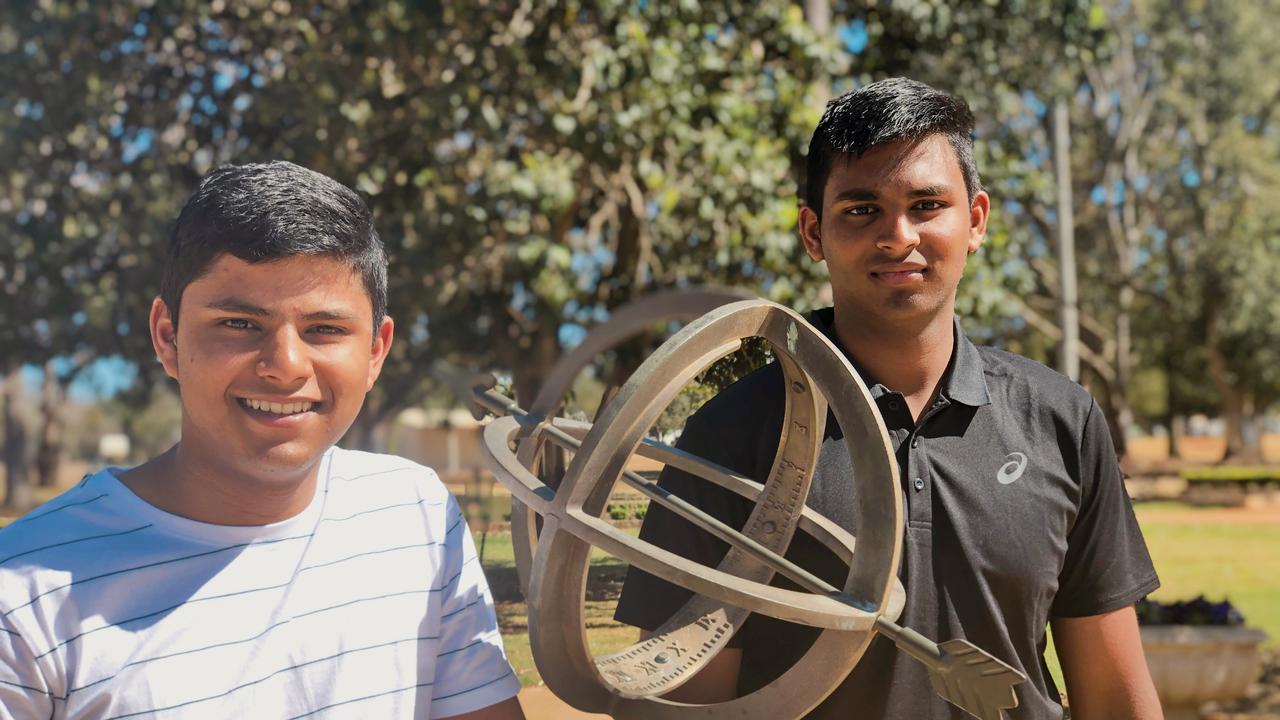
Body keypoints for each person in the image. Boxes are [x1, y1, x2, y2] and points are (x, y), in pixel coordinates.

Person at [615, 78, 1162, 719]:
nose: (898, 235)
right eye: (860, 209)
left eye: (927, 205)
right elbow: (686, 701)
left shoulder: (1061, 420)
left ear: (976, 221)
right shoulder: (732, 435)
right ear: (814, 233)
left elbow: (1113, 695)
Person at [0, 162, 525, 720]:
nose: (285, 366)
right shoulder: (24, 594)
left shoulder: (414, 514)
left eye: (325, 329)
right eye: (238, 324)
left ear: (375, 351)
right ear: (167, 336)